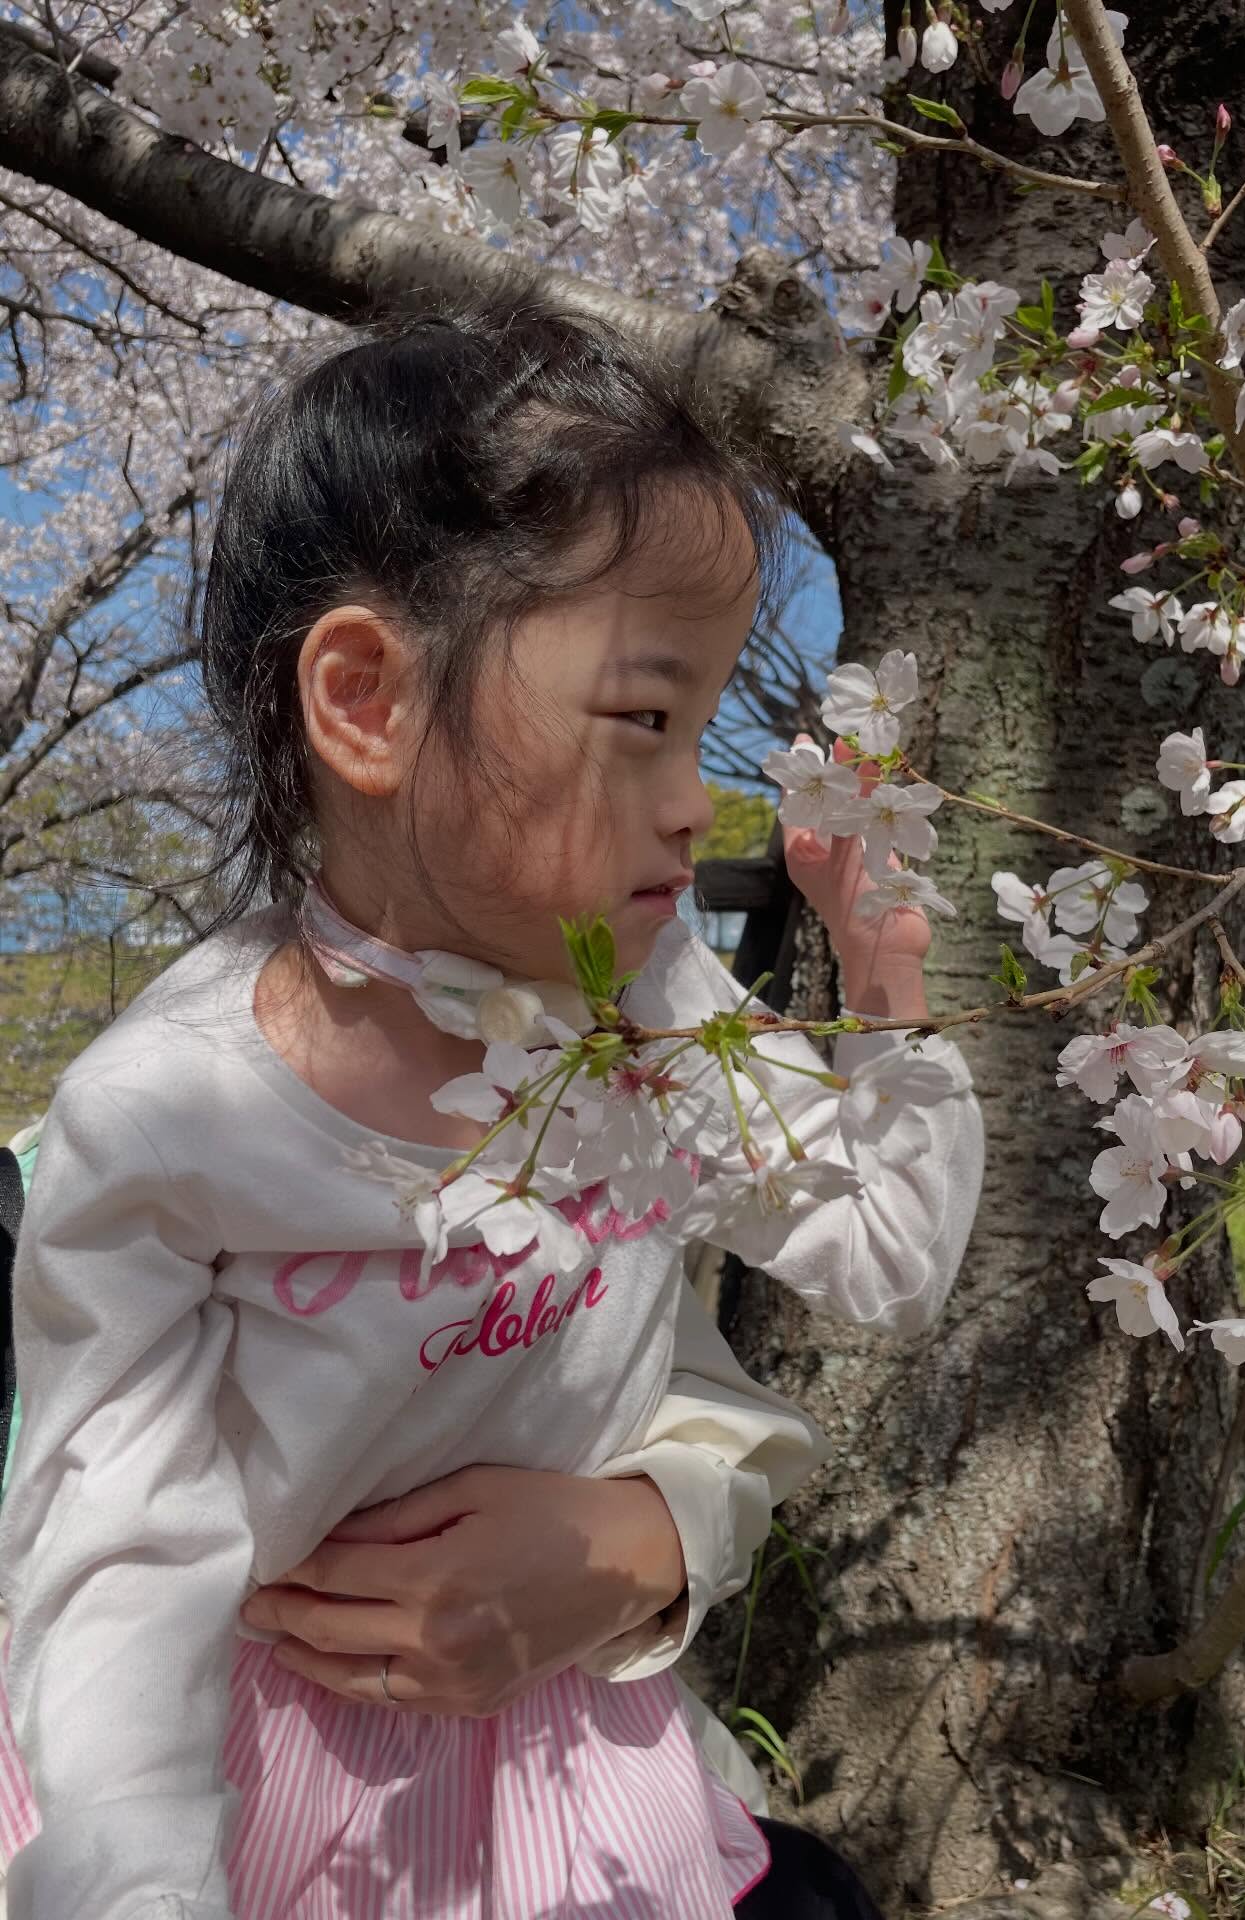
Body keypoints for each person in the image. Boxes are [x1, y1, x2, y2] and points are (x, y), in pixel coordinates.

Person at [0, 289, 983, 1920]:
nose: (697, 804)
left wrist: (886, 1000)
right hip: (271, 1805)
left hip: (567, 1774)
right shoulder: (171, 1115)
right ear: (370, 702)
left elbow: (881, 1258)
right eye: (644, 720)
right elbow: (121, 1564)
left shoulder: (649, 1009)